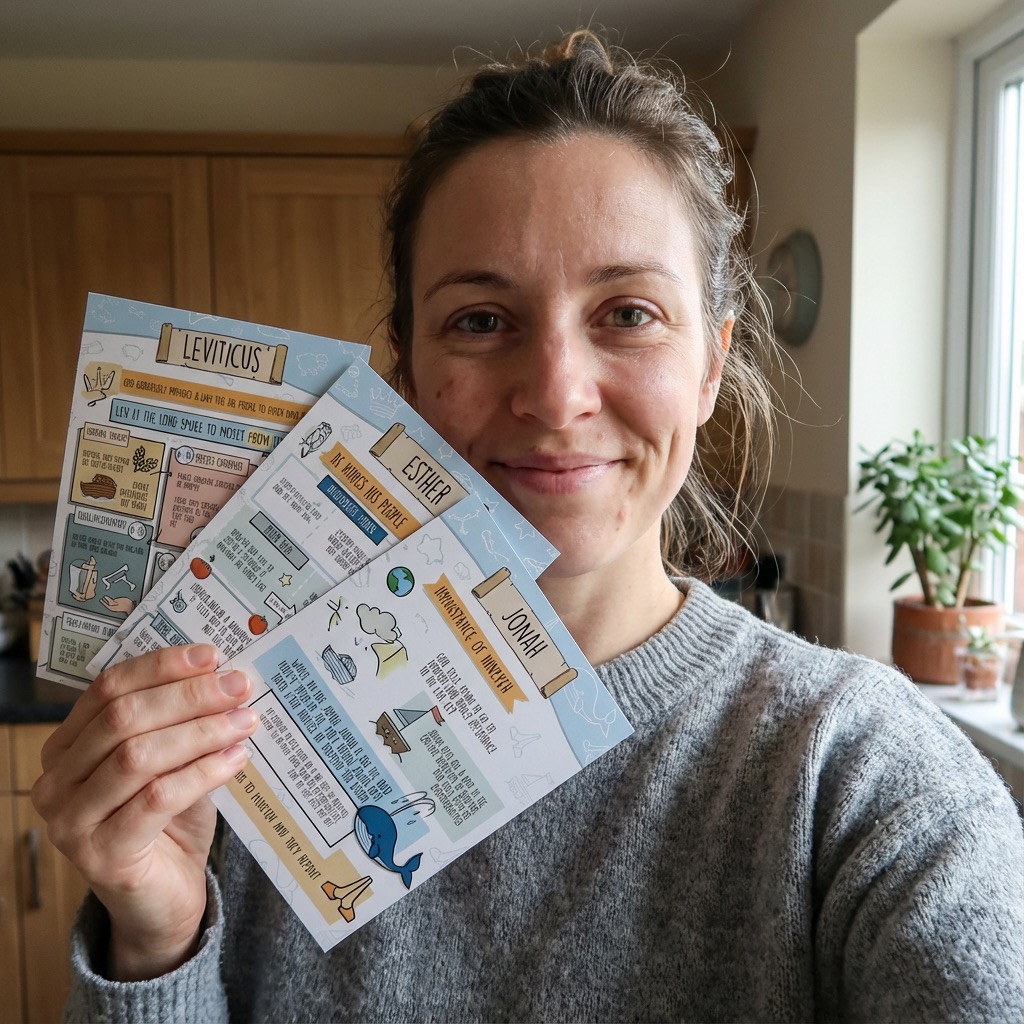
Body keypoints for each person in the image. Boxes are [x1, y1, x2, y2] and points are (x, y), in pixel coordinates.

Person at [34, 30, 1024, 1023]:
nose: (555, 397)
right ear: (408, 372)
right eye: (480, 320)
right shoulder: (237, 735)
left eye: (627, 313)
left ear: (713, 364)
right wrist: (155, 942)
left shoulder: (861, 776)